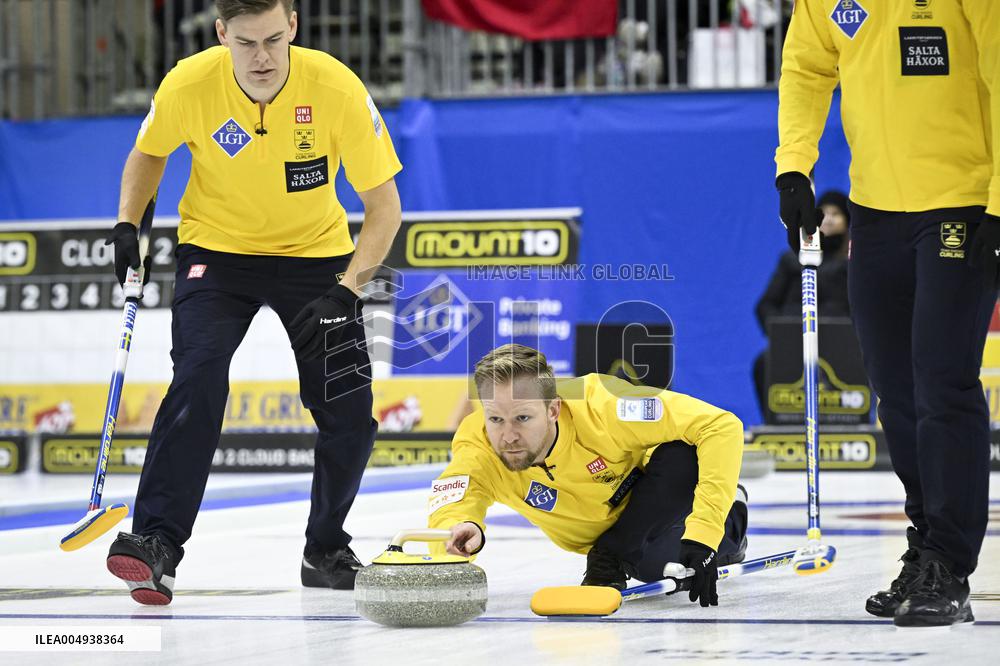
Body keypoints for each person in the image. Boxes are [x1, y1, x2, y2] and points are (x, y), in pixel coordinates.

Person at [102, 0, 402, 605]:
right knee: (198, 376)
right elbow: (150, 152)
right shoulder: (189, 82)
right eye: (245, 43)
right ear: (222, 35)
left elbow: (384, 209)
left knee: (349, 408)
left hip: (317, 260)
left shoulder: (337, 88)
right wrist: (127, 224)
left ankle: (325, 549)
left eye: (272, 39)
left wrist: (347, 291)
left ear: (293, 25)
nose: (261, 57)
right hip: (217, 253)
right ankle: (156, 545)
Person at [776, 1, 998, 627]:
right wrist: (794, 165)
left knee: (942, 382)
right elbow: (806, 68)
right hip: (875, 213)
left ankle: (950, 567)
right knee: (896, 391)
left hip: (962, 205)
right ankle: (926, 543)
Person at [427, 344, 749, 607]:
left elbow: (721, 426)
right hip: (623, 547)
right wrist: (462, 531)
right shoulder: (479, 443)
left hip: (660, 500)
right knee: (659, 567)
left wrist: (704, 533)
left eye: (522, 418)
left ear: (553, 409)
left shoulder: (603, 403)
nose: (508, 435)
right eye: (495, 418)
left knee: (685, 455)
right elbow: (455, 499)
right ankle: (627, 550)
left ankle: (730, 509)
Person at [753, 190, 851, 415]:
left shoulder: (853, 264)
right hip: (794, 342)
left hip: (843, 345)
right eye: (823, 213)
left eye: (836, 213)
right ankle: (776, 423)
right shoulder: (792, 260)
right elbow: (765, 305)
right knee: (764, 363)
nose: (828, 218)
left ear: (847, 221)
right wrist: (782, 334)